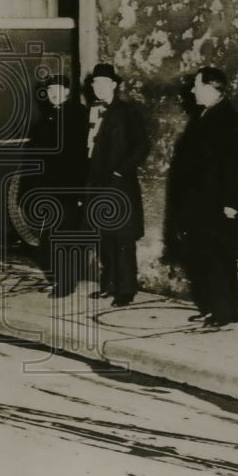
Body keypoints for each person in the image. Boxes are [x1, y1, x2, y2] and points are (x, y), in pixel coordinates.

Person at [165, 66, 238, 328]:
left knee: (219, 257)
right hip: (201, 203)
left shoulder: (228, 119)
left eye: (197, 86)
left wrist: (231, 203)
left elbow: (235, 165)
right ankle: (212, 308)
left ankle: (225, 312)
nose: (192, 90)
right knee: (204, 256)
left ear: (212, 88)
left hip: (218, 204)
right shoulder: (205, 116)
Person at [85, 63, 150, 307]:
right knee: (104, 237)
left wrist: (120, 170)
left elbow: (142, 145)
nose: (98, 87)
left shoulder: (127, 112)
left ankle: (126, 290)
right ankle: (109, 284)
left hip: (118, 185)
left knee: (123, 238)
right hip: (95, 185)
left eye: (103, 83)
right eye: (95, 83)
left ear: (114, 85)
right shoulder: (90, 111)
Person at [26, 74, 89, 297]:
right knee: (51, 237)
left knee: (66, 238)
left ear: (68, 92)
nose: (54, 93)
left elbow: (81, 156)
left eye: (58, 89)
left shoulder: (77, 115)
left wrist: (81, 190)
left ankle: (66, 284)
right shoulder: (45, 119)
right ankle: (58, 280)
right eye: (50, 89)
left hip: (68, 189)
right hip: (48, 190)